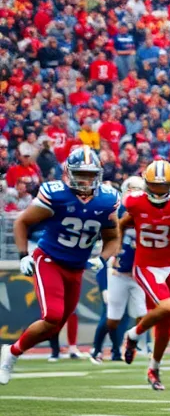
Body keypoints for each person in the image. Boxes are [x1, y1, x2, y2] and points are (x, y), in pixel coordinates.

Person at [1, 148, 120, 384]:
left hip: (77, 267)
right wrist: (24, 255)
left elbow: (113, 236)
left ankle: (12, 349)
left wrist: (103, 258)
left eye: (90, 174)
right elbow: (22, 222)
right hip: (49, 260)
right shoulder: (55, 194)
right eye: (81, 174)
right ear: (69, 173)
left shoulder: (107, 198)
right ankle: (11, 354)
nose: (86, 180)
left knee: (56, 324)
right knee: (52, 316)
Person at [119, 161, 170, 391]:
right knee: (165, 307)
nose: (157, 191)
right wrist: (114, 248)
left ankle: (154, 368)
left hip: (167, 268)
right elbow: (119, 224)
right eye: (154, 186)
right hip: (145, 265)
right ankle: (133, 335)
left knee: (165, 329)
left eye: (162, 186)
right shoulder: (134, 201)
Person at [93, 176, 145, 364]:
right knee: (109, 317)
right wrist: (104, 285)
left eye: (138, 189)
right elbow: (106, 247)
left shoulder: (144, 213)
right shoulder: (117, 211)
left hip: (135, 273)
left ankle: (121, 348)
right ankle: (97, 349)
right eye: (131, 189)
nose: (134, 193)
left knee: (139, 315)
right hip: (114, 270)